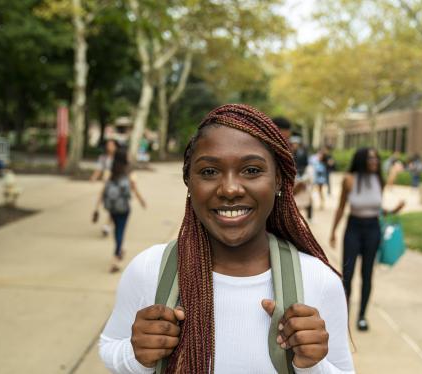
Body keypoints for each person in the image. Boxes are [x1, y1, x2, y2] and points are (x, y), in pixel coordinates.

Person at [99, 104, 354, 373]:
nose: (230, 189)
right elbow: (109, 346)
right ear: (188, 180)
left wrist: (312, 365)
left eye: (252, 170)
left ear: (278, 179)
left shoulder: (318, 279)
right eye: (209, 171)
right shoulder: (149, 269)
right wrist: (136, 355)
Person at [329, 147, 404, 332]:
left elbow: (377, 208)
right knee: (348, 274)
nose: (375, 162)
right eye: (371, 159)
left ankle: (362, 316)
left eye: (376, 158)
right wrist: (333, 231)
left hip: (373, 229)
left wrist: (394, 210)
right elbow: (340, 207)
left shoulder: (379, 179)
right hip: (353, 228)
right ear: (362, 160)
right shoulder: (349, 180)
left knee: (367, 274)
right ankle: (343, 316)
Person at [94, 149, 146, 273]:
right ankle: (115, 259)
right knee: (120, 232)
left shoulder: (111, 172)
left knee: (117, 230)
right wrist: (141, 200)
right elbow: (133, 189)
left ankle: (119, 250)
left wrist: (96, 207)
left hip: (112, 208)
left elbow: (103, 190)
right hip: (124, 208)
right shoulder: (128, 172)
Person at [91, 139, 119, 236]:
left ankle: (107, 224)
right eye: (108, 145)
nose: (110, 147)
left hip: (116, 184)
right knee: (100, 198)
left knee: (113, 204)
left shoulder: (119, 157)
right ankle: (96, 211)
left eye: (112, 145)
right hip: (106, 182)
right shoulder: (103, 158)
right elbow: (99, 169)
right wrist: (94, 177)